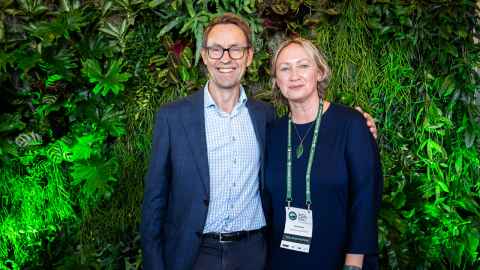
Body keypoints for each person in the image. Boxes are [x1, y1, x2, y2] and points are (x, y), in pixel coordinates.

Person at [141, 13, 377, 270]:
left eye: (236, 49)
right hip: (196, 254)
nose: (226, 58)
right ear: (205, 56)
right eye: (217, 50)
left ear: (249, 56)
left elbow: (362, 190)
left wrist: (362, 128)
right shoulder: (174, 117)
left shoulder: (264, 117)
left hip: (254, 253)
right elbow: (155, 200)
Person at [264, 38, 383, 270]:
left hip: (339, 259)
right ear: (277, 81)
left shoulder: (351, 124)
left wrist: (354, 262)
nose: (294, 75)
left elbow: (367, 197)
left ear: (319, 72)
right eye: (285, 68)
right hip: (281, 260)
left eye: (303, 65)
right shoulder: (272, 132)